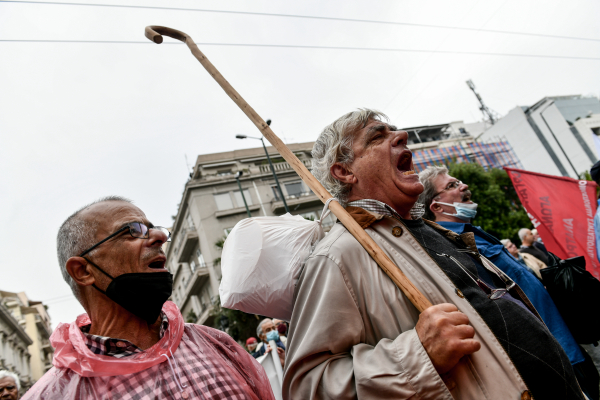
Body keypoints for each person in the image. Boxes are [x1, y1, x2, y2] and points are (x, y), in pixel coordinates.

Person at [284, 109, 585, 400]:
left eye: (394, 130)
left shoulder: (430, 230)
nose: (402, 135)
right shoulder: (337, 256)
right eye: (377, 136)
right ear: (344, 171)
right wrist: (417, 354)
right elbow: (307, 387)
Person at [23, 196, 274, 400]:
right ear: (83, 271)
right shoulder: (54, 394)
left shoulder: (218, 344)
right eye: (132, 231)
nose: (159, 237)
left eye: (153, 228)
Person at [417, 166, 599, 398]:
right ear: (437, 206)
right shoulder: (455, 248)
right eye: (452, 185)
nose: (464, 186)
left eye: (459, 180)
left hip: (564, 339)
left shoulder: (474, 233)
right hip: (550, 353)